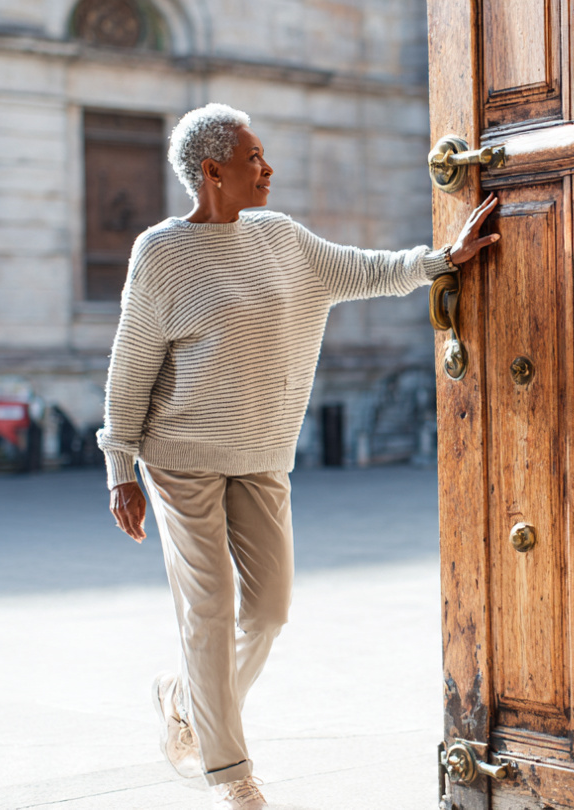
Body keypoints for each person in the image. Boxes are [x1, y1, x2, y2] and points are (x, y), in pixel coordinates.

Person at [96, 102, 499, 810]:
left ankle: (185, 701)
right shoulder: (160, 254)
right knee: (209, 608)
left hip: (262, 452)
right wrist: (120, 468)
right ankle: (232, 776)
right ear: (211, 172)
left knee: (270, 609)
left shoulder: (282, 239)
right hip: (181, 456)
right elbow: (130, 368)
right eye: (253, 158)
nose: (268, 168)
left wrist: (441, 260)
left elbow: (364, 270)